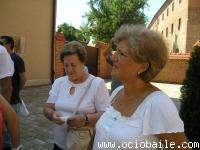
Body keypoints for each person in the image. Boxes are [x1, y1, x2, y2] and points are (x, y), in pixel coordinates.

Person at [93, 25, 191, 150]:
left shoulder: (158, 104)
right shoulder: (117, 92)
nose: (113, 58)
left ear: (143, 67)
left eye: (121, 54)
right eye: (116, 51)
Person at [43, 41, 110, 150]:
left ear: (83, 63)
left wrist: (85, 119)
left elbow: (106, 115)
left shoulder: (97, 84)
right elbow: (47, 108)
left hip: (83, 145)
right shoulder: (59, 82)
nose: (69, 70)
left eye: (73, 65)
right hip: (58, 145)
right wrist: (52, 114)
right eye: (66, 65)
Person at [0, 36, 26, 150]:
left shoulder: (17, 58)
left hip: (11, 99)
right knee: (4, 134)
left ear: (10, 44)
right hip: (4, 99)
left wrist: (17, 91)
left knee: (10, 129)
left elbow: (23, 78)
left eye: (2, 43)